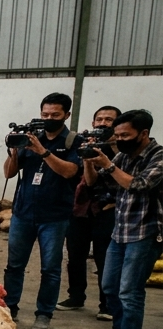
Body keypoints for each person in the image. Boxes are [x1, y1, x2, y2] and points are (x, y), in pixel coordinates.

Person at [2, 92, 84, 329]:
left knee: (50, 267)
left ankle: (44, 313)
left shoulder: (73, 142)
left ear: (66, 115)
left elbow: (70, 172)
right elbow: (8, 173)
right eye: (45, 114)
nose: (48, 118)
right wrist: (15, 150)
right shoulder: (30, 138)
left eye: (54, 115)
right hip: (23, 213)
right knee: (14, 265)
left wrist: (43, 152)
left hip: (54, 216)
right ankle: (10, 307)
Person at [85, 110, 163, 329]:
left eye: (125, 135)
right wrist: (89, 161)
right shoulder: (123, 154)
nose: (119, 139)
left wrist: (108, 165)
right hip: (120, 231)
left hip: (145, 233)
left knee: (130, 291)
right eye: (117, 135)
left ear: (143, 134)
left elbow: (139, 185)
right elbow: (95, 183)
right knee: (110, 286)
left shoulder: (159, 157)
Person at [61, 105, 122, 317]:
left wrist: (111, 150)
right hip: (81, 208)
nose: (103, 123)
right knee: (75, 255)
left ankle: (107, 305)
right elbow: (88, 181)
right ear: (93, 122)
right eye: (99, 119)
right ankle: (76, 296)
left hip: (109, 210)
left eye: (109, 120)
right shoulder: (88, 144)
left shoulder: (124, 149)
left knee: (105, 258)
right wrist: (88, 160)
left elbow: (123, 178)